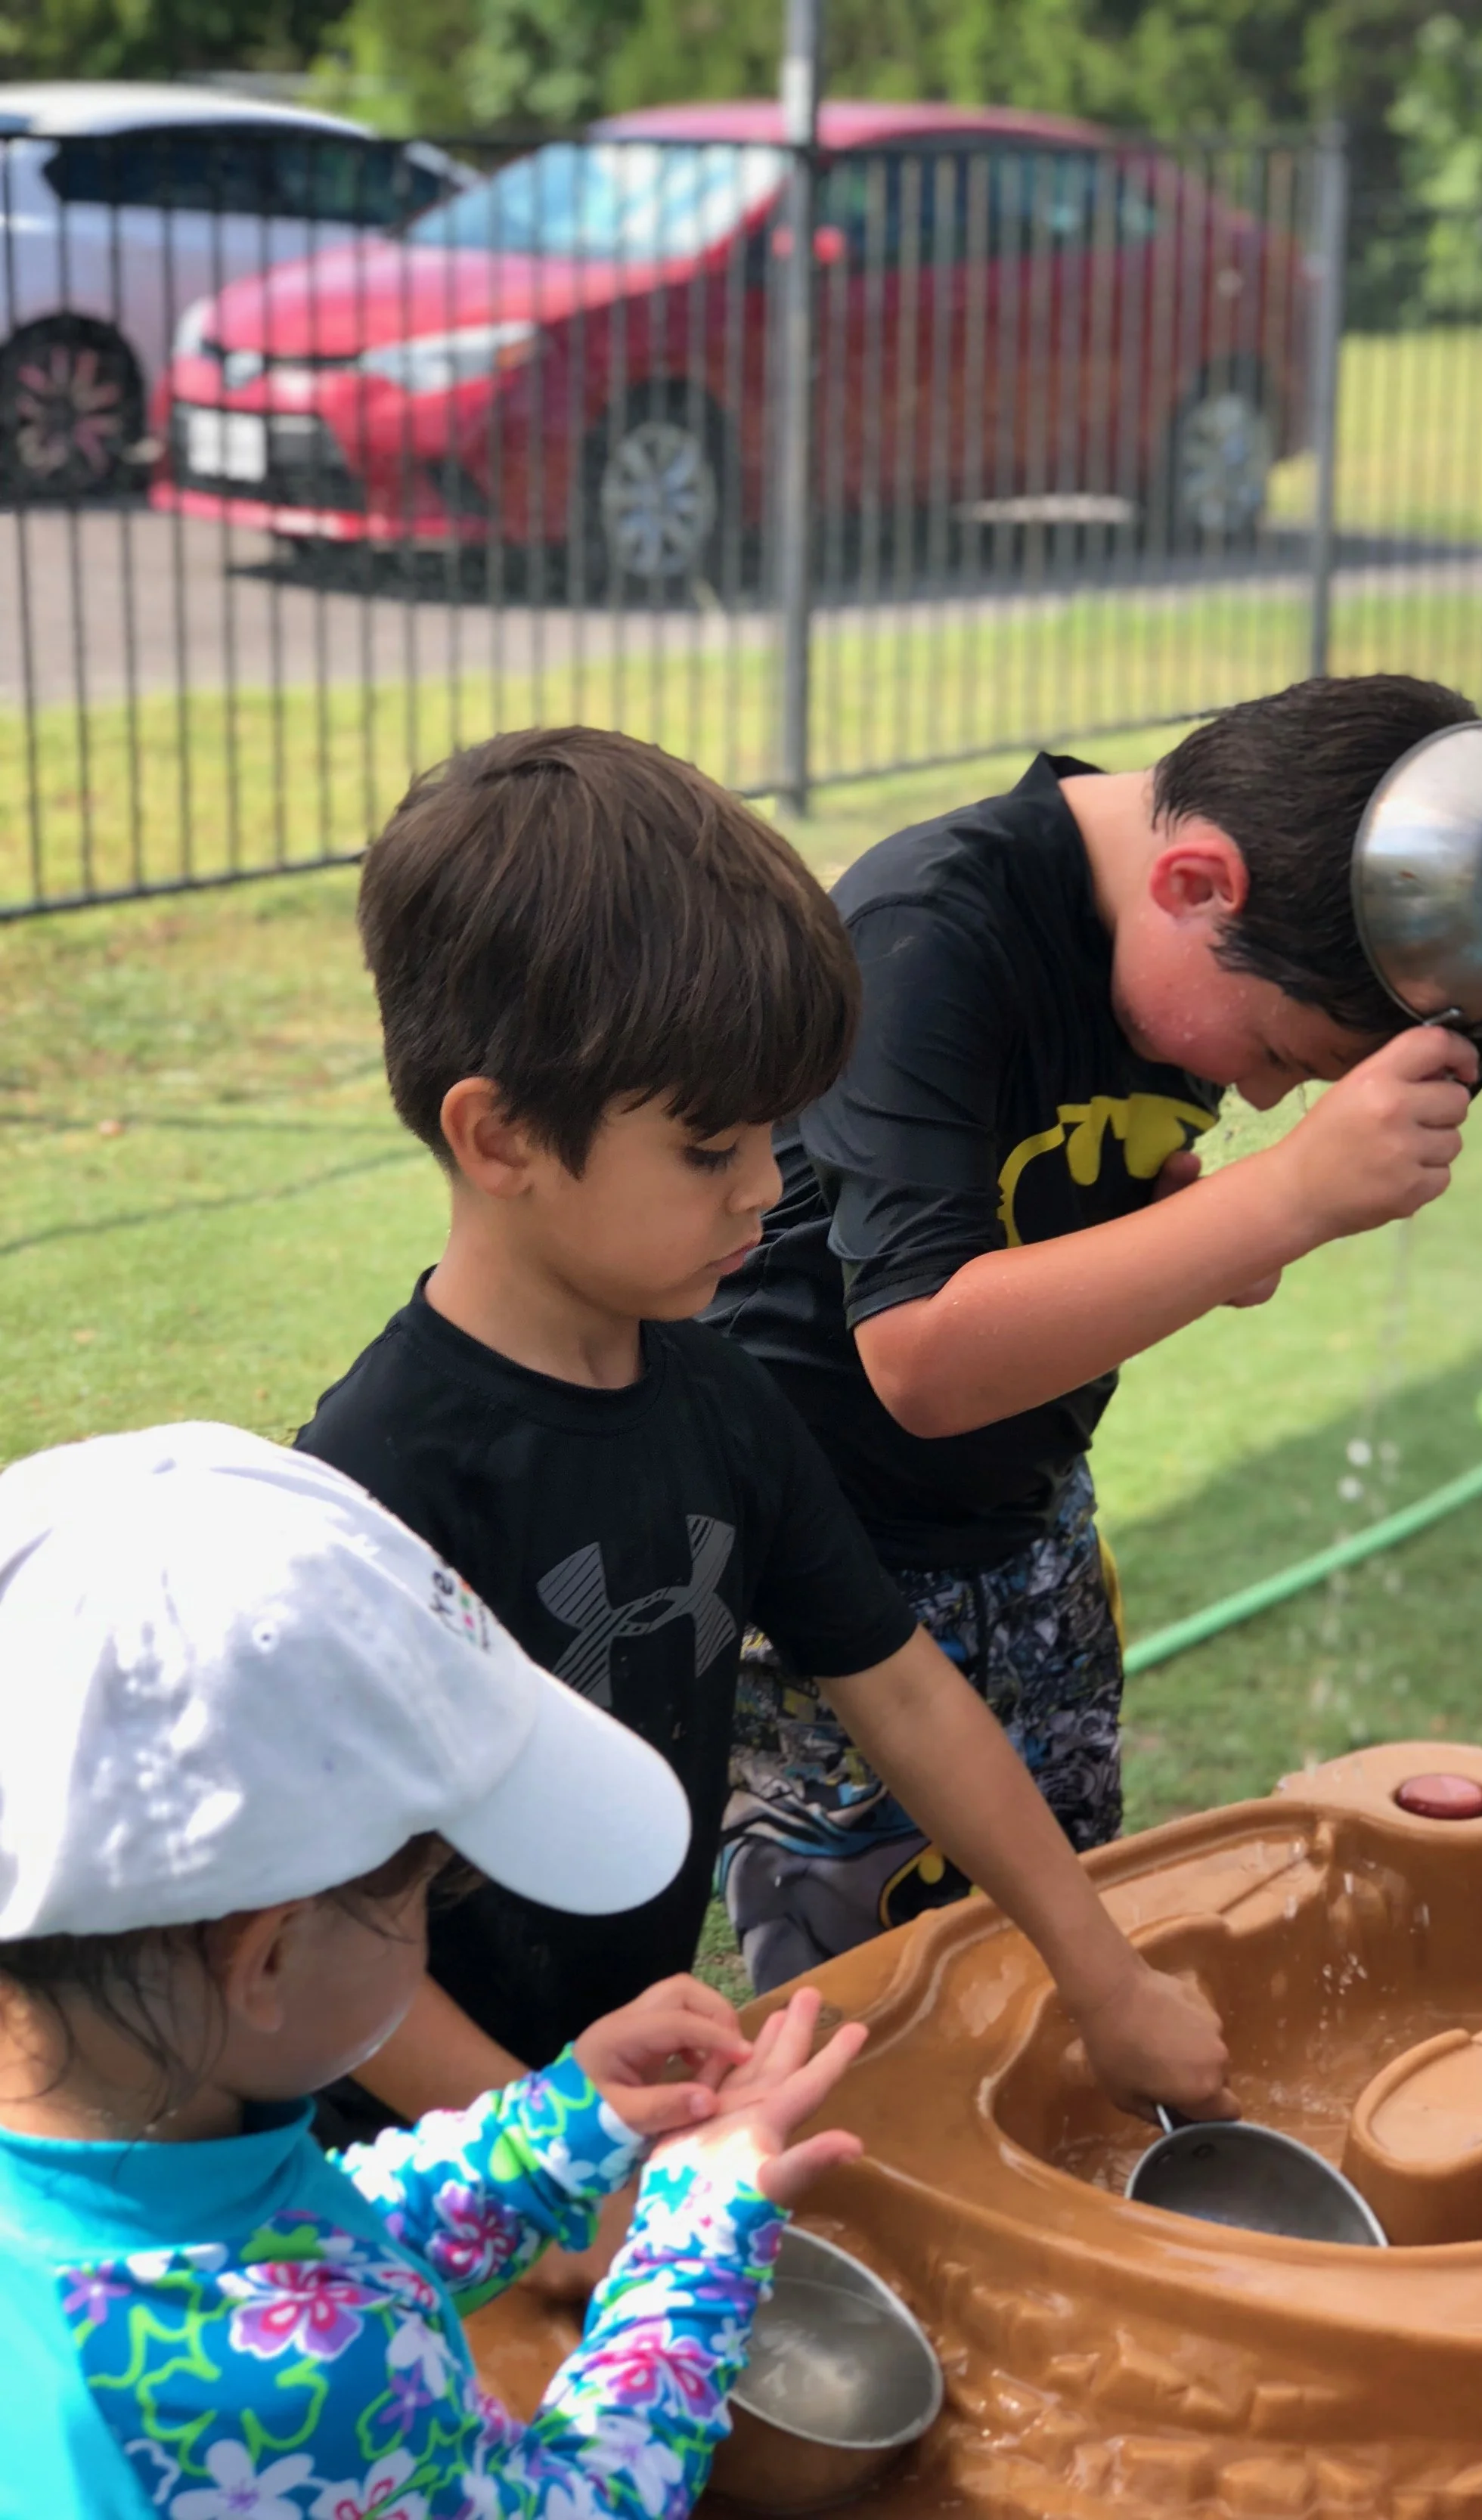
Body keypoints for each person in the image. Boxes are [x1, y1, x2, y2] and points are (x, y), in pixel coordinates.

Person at [296, 725, 1234, 2243]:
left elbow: (911, 1696)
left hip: (613, 2099)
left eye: (775, 1136)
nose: (761, 1191)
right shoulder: (379, 1480)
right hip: (402, 2166)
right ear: (502, 1134)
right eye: (711, 1146)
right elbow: (316, 1941)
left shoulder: (720, 1398)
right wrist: (557, 2185)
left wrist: (1102, 1968)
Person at [708, 676, 1482, 1987]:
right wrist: (1275, 1197)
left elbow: (1089, 1217)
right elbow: (923, 1356)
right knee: (870, 1998)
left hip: (1030, 1526)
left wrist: (1200, 1238)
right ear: (1197, 882)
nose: (1254, 1089)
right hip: (825, 1563)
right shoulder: (928, 932)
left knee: (1052, 1956)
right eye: (1282, 1052)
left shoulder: (1190, 943)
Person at [0, 1420, 869, 2520]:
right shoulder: (291, 2386)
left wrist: (555, 2131)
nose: (426, 1924)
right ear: (266, 1956)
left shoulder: (126, 2160)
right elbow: (573, 2503)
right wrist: (696, 2244)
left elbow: (311, 2233)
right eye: (422, 1895)